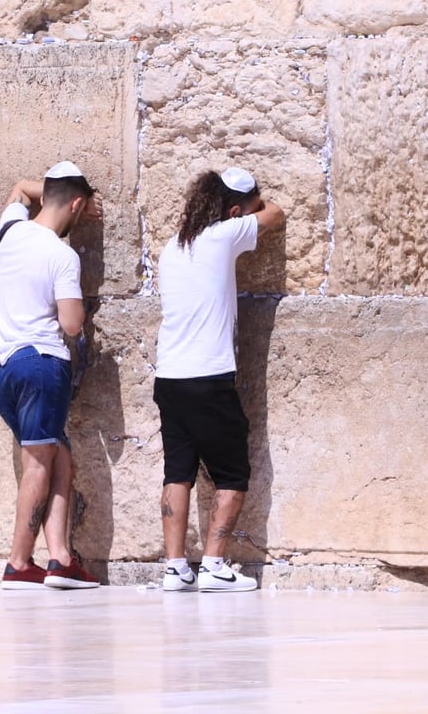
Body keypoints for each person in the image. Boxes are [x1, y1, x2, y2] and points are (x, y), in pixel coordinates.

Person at [153, 167, 284, 593]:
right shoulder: (225, 235)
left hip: (169, 377)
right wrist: (249, 210)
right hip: (208, 377)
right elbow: (276, 213)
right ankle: (213, 565)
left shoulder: (173, 247)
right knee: (232, 472)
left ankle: (176, 568)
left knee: (178, 472)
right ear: (231, 211)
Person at [0, 160, 101, 590]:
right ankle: (19, 561)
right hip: (41, 363)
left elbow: (20, 186)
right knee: (38, 463)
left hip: (1, 368)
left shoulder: (10, 230)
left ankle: (59, 559)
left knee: (59, 458)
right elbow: (71, 325)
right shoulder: (62, 255)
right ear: (76, 203)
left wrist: (67, 193)